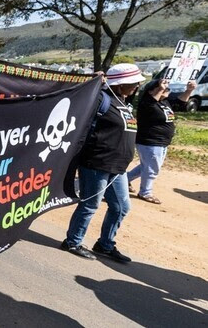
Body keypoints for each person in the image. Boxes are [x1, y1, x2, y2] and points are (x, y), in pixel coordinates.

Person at [61, 63, 145, 263]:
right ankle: (72, 241)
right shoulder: (101, 99)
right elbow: (76, 97)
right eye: (133, 83)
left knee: (121, 207)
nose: (137, 86)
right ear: (119, 84)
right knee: (90, 204)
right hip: (96, 163)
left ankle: (105, 245)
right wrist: (92, 81)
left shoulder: (124, 102)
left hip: (118, 166)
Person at [127, 79, 196, 204]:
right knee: (152, 168)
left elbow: (181, 103)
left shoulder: (164, 102)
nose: (166, 88)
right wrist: (160, 87)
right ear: (151, 91)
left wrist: (189, 90)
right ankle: (145, 192)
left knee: (147, 166)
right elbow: (151, 102)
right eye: (162, 88)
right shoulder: (147, 103)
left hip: (161, 142)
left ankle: (124, 180)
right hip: (150, 141)